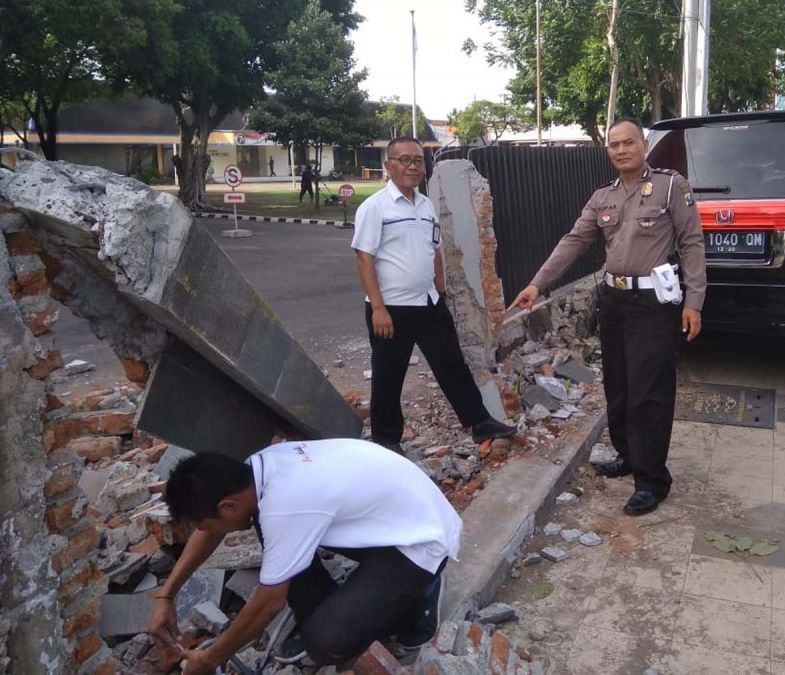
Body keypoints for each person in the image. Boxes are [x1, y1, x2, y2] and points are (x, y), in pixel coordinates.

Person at [508, 118, 707, 516]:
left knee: (648, 391)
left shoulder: (671, 187)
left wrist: (694, 301)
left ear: (643, 145)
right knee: (619, 386)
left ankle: (652, 480)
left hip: (654, 304)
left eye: (627, 142)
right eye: (613, 144)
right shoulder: (603, 197)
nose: (620, 150)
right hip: (613, 302)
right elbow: (574, 241)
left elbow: (691, 242)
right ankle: (628, 456)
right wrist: (537, 284)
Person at [148, 439, 460, 674]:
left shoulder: (285, 504)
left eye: (205, 522)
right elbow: (212, 531)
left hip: (420, 540)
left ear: (226, 506)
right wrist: (167, 596)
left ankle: (419, 602)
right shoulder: (253, 473)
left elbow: (269, 604)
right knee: (267, 531)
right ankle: (348, 609)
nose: (211, 530)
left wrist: (211, 658)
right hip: (392, 516)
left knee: (326, 644)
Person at [350, 136, 516, 454]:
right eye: (405, 160)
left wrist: (440, 291)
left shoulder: (426, 205)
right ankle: (387, 440)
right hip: (391, 309)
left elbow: (435, 249)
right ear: (389, 166)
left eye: (418, 160)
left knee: (452, 364)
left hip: (428, 303)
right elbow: (363, 257)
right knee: (388, 376)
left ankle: (479, 422)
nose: (413, 166)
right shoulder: (375, 208)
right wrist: (378, 309)